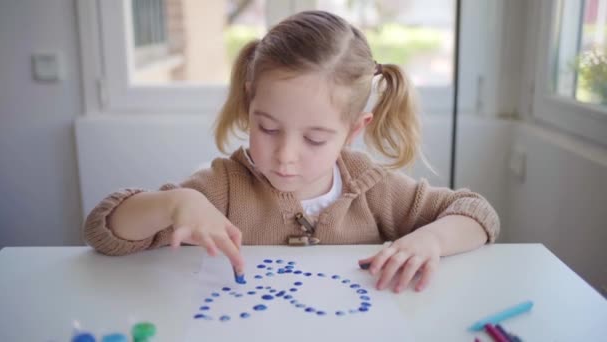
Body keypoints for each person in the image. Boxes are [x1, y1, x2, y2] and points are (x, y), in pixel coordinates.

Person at [84, 11, 499, 293]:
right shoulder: (224, 186)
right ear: (250, 105)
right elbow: (104, 231)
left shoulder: (373, 187)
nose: (285, 155)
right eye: (267, 128)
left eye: (315, 139)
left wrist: (430, 240)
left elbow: (478, 214)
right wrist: (175, 204)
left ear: (354, 131)